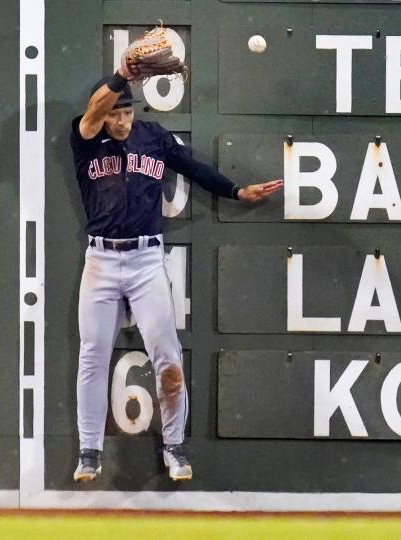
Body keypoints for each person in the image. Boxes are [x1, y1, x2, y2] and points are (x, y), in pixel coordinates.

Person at [69, 70, 282, 482]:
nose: (123, 121)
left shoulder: (153, 137)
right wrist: (120, 75)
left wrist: (236, 191)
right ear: (102, 112)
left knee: (167, 356)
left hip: (147, 260)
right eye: (115, 113)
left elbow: (193, 168)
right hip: (101, 261)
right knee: (92, 356)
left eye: (127, 112)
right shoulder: (87, 140)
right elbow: (95, 112)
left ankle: (174, 446)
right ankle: (89, 451)